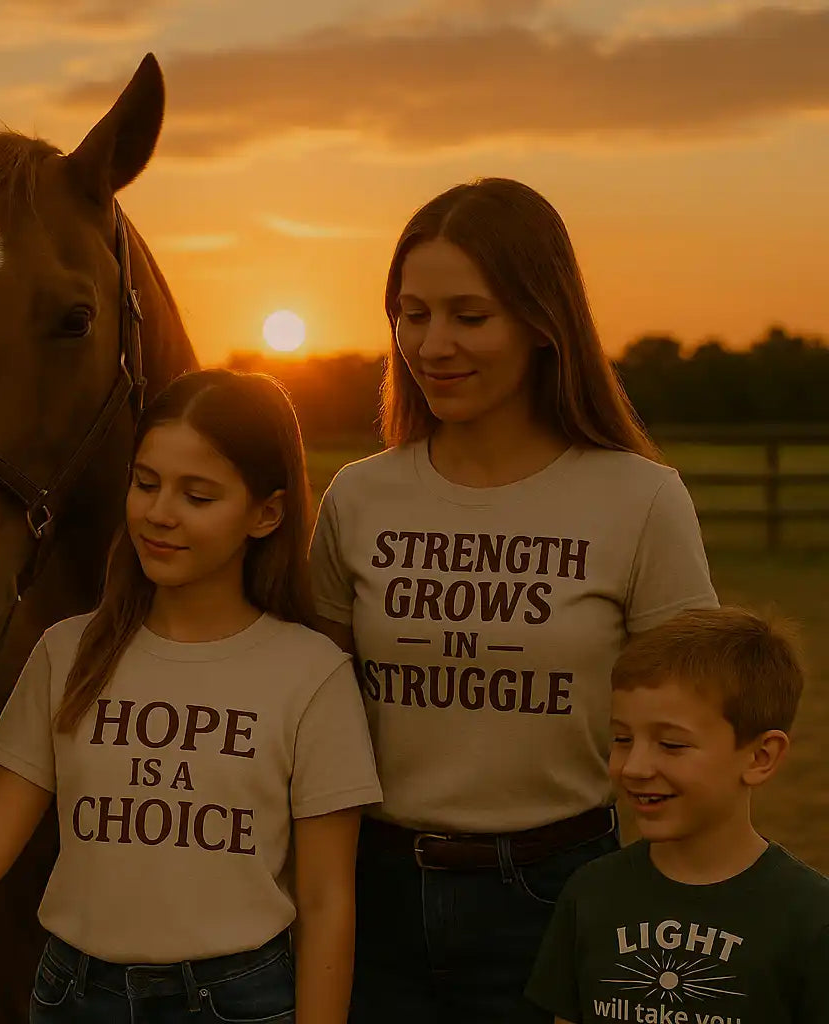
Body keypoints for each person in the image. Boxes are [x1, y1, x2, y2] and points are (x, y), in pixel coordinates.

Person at [0, 368, 383, 1023]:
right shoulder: (68, 653)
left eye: (199, 495)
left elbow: (328, 902)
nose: (159, 514)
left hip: (235, 1004)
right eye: (146, 482)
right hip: (74, 999)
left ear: (266, 513)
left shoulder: (310, 674)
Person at [308, 177, 720, 1023]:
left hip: (557, 894)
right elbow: (310, 713)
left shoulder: (640, 500)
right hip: (371, 895)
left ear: (541, 320)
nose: (432, 344)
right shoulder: (357, 498)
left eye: (469, 314)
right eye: (411, 313)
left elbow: (694, 733)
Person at [526, 606, 829, 1022]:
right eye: (622, 738)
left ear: (760, 756)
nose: (634, 767)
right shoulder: (590, 894)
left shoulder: (810, 918)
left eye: (671, 744)